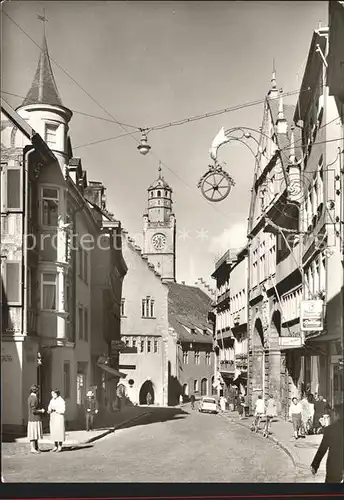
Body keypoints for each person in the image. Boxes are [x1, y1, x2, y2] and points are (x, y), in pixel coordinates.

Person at [311, 404, 344, 483]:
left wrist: (315, 465)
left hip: (334, 466)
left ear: (337, 414)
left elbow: (322, 449)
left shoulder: (330, 429)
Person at [27, 384, 45, 454]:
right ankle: (32, 448)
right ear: (36, 391)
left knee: (35, 434)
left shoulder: (30, 397)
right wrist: (41, 411)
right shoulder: (34, 398)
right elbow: (33, 411)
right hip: (34, 419)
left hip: (33, 418)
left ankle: (36, 447)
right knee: (33, 434)